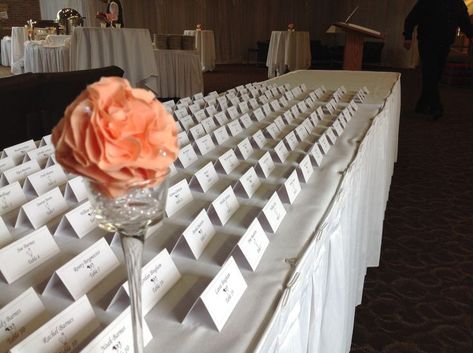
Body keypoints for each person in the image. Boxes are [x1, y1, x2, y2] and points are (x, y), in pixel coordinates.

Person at [403, 0, 472, 119]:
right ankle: (436, 107)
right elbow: (411, 18)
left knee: (436, 74)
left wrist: (471, 35)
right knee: (430, 72)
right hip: (427, 41)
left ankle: (422, 104)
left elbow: (464, 22)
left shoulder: (457, 3)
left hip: (445, 43)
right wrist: (408, 37)